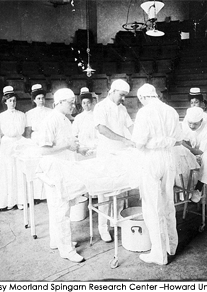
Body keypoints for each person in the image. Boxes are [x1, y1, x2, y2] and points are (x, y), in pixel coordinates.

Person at [132, 84, 181, 265]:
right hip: (168, 157)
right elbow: (178, 138)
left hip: (151, 159)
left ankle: (159, 254)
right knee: (168, 201)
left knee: (152, 206)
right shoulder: (171, 111)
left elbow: (139, 143)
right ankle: (172, 246)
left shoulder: (144, 113)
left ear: (143, 98)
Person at [38, 88, 86, 263]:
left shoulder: (65, 120)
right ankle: (66, 249)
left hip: (63, 166)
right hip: (54, 169)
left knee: (58, 208)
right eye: (70, 102)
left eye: (74, 102)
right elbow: (44, 150)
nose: (74, 106)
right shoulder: (50, 121)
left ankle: (56, 241)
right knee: (61, 210)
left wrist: (79, 149)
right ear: (59, 102)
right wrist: (67, 145)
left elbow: (68, 144)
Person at [93, 79, 135, 242]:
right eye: (121, 95)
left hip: (121, 153)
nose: (123, 98)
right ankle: (103, 227)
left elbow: (131, 126)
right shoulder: (100, 107)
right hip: (106, 153)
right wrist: (124, 140)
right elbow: (102, 129)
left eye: (125, 96)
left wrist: (138, 139)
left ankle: (116, 218)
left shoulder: (122, 108)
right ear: (112, 91)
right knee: (105, 192)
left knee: (120, 188)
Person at [0, 86, 26, 210]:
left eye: (14, 100)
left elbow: (23, 130)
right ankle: (9, 201)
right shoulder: (1, 116)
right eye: (10, 101)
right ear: (5, 102)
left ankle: (21, 201)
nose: (12, 103)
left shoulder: (22, 115)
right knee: (8, 170)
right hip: (7, 143)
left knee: (19, 171)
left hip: (19, 141)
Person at [182, 107, 207, 203]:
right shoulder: (185, 124)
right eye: (190, 123)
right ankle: (184, 191)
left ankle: (198, 188)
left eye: (195, 124)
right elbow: (182, 140)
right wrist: (188, 147)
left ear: (201, 121)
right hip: (192, 150)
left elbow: (201, 152)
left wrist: (188, 148)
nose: (192, 126)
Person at [24, 84, 52, 201]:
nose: (41, 101)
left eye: (43, 98)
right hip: (35, 140)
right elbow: (28, 131)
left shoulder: (50, 111)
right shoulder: (29, 113)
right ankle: (36, 195)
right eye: (38, 98)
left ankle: (47, 194)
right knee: (36, 166)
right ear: (34, 100)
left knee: (47, 165)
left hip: (47, 139)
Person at [72, 88, 98, 155]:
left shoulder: (96, 116)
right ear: (81, 104)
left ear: (91, 103)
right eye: (84, 103)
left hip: (94, 146)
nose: (86, 105)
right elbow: (74, 133)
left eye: (88, 102)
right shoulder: (78, 118)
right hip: (82, 147)